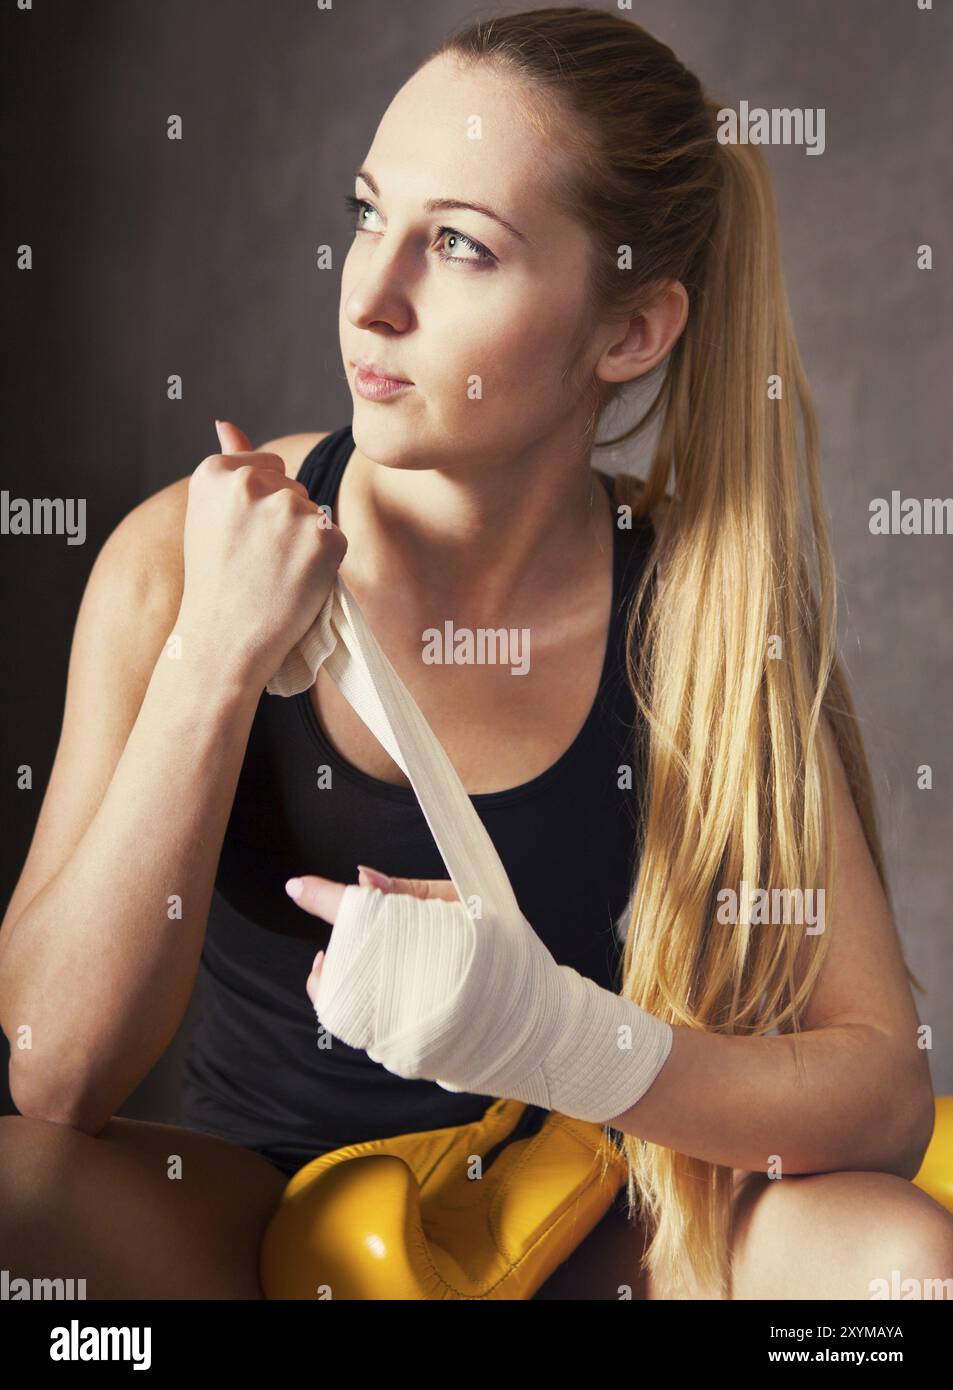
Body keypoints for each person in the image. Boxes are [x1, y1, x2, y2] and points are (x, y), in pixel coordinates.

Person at [1, 5, 950, 1301]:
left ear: (627, 333)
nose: (372, 296)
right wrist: (212, 658)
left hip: (583, 1226)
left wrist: (560, 1040)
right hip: (255, 1222)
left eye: (457, 245)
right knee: (18, 1202)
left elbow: (884, 1090)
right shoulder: (181, 555)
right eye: (367, 213)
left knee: (899, 1275)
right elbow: (54, 1071)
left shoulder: (706, 616)